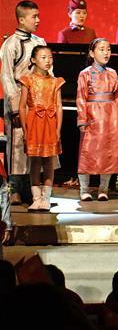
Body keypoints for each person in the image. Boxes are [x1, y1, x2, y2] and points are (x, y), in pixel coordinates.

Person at [1, 0, 46, 209]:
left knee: (35, 143)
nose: (37, 20)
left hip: (37, 100)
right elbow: (7, 76)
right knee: (17, 144)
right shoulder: (10, 44)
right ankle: (14, 188)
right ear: (21, 19)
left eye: (38, 16)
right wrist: (14, 107)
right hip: (18, 99)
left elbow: (48, 71)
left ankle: (32, 188)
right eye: (33, 17)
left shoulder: (39, 41)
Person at [75, 38, 118, 202]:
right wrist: (82, 119)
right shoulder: (85, 74)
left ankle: (103, 189)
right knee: (87, 152)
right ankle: (84, 189)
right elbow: (81, 98)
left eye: (108, 49)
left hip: (110, 116)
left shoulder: (113, 73)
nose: (106, 53)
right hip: (93, 116)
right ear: (92, 53)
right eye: (102, 49)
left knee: (108, 152)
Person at [18, 46, 64, 211]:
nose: (48, 61)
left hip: (50, 123)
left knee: (49, 161)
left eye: (50, 57)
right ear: (33, 60)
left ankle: (46, 198)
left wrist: (58, 129)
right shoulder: (27, 80)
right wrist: (25, 129)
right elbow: (22, 106)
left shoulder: (56, 81)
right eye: (43, 57)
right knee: (35, 162)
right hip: (34, 123)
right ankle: (36, 198)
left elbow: (59, 106)